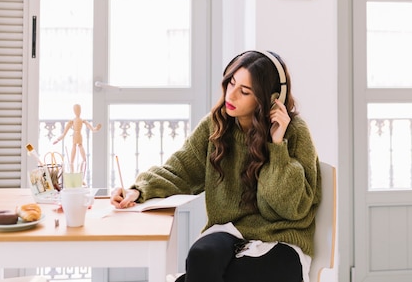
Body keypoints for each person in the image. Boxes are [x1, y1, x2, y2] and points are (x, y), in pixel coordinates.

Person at [111, 50, 321, 282]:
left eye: (245, 91)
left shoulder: (295, 131)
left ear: (271, 99)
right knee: (200, 256)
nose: (231, 95)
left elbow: (290, 207)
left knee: (226, 276)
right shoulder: (216, 125)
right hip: (230, 230)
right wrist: (139, 190)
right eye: (231, 83)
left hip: (281, 239)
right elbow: (180, 170)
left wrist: (277, 145)